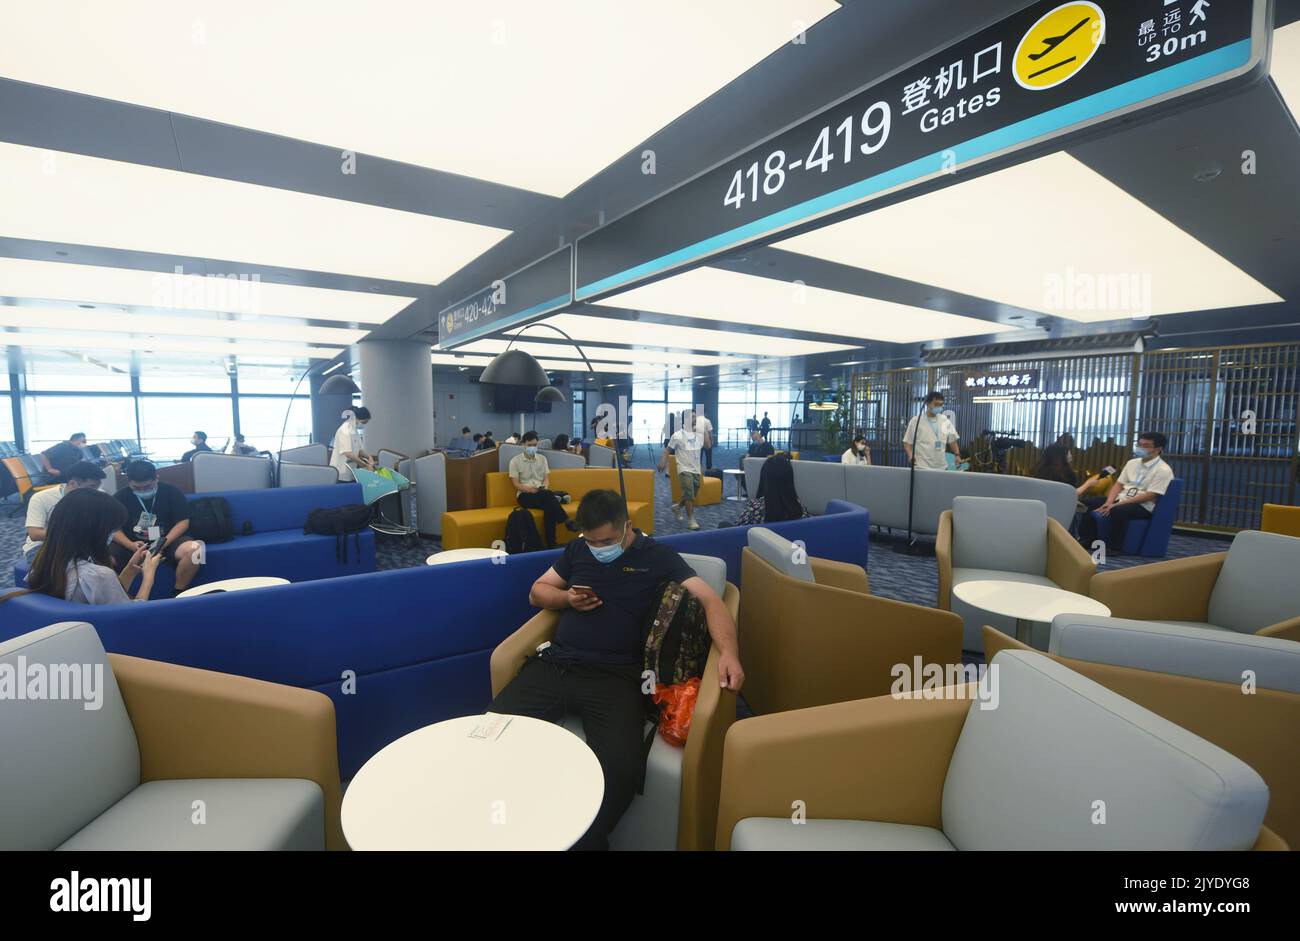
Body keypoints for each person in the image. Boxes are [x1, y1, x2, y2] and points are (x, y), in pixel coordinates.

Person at [488, 489, 744, 850]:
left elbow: (710, 600)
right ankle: (510, 821)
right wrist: (567, 599)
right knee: (494, 731)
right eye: (591, 541)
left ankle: (583, 840)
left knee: (622, 770)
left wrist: (730, 652)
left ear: (628, 526)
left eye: (606, 541)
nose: (598, 548)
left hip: (617, 677)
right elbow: (537, 592)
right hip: (558, 664)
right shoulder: (579, 549)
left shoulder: (657, 556)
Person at [20, 487, 162, 604]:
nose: (112, 535)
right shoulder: (96, 575)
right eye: (111, 529)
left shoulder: (44, 563)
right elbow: (130, 616)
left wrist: (129, 570)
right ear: (94, 531)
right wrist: (149, 577)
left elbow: (107, 598)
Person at [112, 460, 205, 594]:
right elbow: (114, 528)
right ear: (129, 482)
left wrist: (163, 543)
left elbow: (183, 522)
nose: (142, 491)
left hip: (168, 539)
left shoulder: (172, 491)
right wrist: (130, 545)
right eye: (136, 488)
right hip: (132, 543)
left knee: (196, 551)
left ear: (156, 478)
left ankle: (179, 591)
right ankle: (120, 595)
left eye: (147, 487)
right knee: (103, 559)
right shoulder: (120, 497)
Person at [1078, 432, 1173, 554]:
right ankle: (1087, 539)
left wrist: (1116, 505)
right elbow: (1119, 484)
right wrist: (1109, 502)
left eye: (1146, 445)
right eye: (1139, 444)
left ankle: (1114, 547)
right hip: (1122, 498)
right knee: (1091, 503)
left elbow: (1151, 495)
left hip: (1142, 505)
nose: (1140, 448)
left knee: (1117, 511)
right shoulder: (1132, 463)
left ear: (1158, 449)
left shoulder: (1163, 470)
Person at [21, 460, 105, 564]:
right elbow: (34, 534)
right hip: (43, 545)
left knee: (104, 565)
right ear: (73, 483)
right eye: (92, 486)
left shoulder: (98, 495)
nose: (96, 491)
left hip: (80, 544)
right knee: (65, 571)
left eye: (98, 487)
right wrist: (72, 534)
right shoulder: (41, 498)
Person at [509, 431, 578, 549]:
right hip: (525, 495)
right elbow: (516, 483)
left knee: (549, 507)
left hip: (541, 493)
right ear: (523, 445)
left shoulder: (542, 459)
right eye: (530, 445)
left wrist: (544, 487)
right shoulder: (515, 461)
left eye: (535, 445)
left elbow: (546, 479)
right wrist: (530, 489)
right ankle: (566, 521)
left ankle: (551, 543)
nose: (532, 448)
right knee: (549, 498)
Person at [661, 413, 706, 530]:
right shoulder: (677, 435)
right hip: (684, 468)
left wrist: (704, 431)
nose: (696, 419)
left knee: (690, 493)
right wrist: (663, 462)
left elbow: (709, 445)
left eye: (696, 416)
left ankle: (677, 507)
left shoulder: (698, 434)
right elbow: (667, 450)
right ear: (685, 420)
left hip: (696, 469)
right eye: (693, 417)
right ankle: (691, 520)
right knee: (689, 493)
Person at [738, 453, 809, 525]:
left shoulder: (756, 507)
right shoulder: (800, 509)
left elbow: (738, 530)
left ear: (764, 477)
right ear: (789, 479)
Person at [903, 392, 960, 471]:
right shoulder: (916, 421)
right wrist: (910, 455)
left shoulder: (945, 420)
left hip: (941, 466)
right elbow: (907, 442)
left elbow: (952, 440)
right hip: (921, 466)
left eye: (941, 405)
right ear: (928, 404)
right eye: (936, 404)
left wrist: (957, 454)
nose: (939, 407)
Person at [330, 407, 375, 482]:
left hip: (351, 469)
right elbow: (348, 453)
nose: (364, 425)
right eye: (364, 422)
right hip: (341, 471)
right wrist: (366, 465)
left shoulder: (354, 430)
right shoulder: (344, 430)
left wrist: (369, 457)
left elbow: (359, 450)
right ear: (357, 418)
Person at [739, 429, 774, 497]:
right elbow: (747, 456)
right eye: (753, 439)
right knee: (740, 476)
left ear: (760, 437)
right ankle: (751, 491)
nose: (755, 441)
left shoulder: (768, 446)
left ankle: (760, 493)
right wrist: (744, 463)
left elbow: (770, 460)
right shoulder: (753, 446)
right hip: (752, 467)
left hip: (763, 468)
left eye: (756, 438)